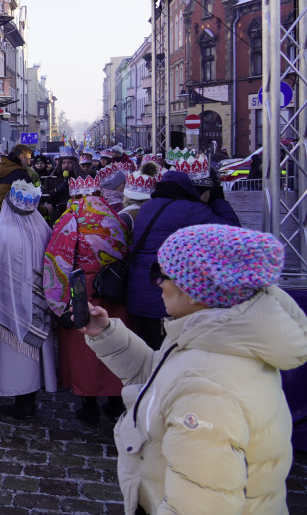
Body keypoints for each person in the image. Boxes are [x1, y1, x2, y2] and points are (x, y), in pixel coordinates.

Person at [81, 225, 307, 514]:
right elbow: (163, 382)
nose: (158, 283)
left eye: (162, 275)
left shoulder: (207, 383)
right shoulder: (213, 336)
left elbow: (199, 504)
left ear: (195, 292)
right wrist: (107, 334)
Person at [126, 154, 240, 350]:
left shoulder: (149, 206)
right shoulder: (193, 210)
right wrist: (219, 200)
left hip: (138, 299)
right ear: (203, 191)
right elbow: (234, 237)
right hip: (164, 304)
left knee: (149, 363)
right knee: (168, 365)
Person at [43, 173, 130, 426]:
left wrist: (58, 303)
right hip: (114, 287)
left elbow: (57, 260)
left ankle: (89, 404)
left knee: (86, 347)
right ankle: (115, 400)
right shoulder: (114, 216)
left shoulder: (70, 219)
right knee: (114, 344)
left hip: (83, 288)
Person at [0, 181, 55, 419]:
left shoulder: (1, 233)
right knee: (34, 352)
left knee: (15, 355)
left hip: (8, 305)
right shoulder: (44, 231)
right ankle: (28, 398)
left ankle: (21, 399)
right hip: (38, 304)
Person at [0, 144, 34, 211]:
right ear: (21, 157)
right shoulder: (21, 175)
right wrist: (45, 209)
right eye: (28, 159)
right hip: (14, 217)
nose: (29, 163)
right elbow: (30, 202)